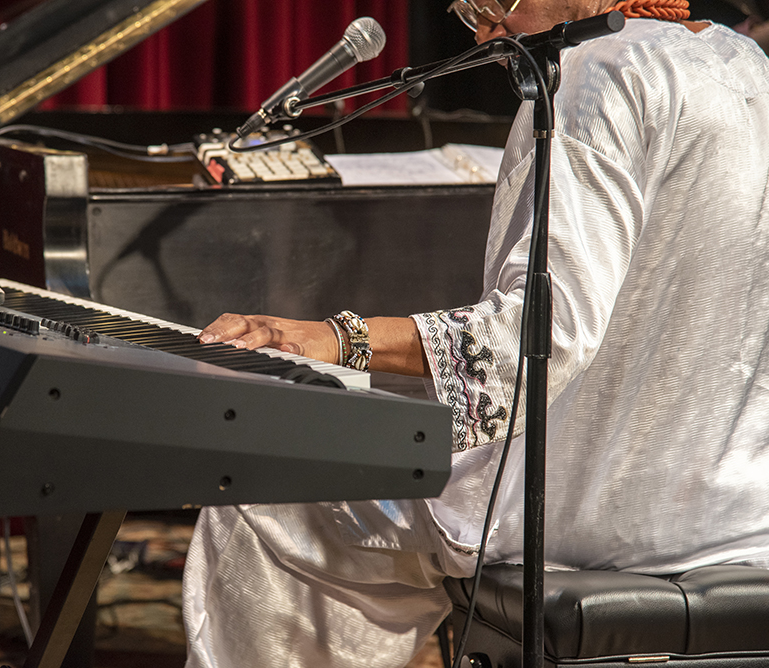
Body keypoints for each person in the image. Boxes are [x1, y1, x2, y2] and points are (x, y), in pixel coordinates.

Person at [180, 0, 769, 664]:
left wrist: (340, 339)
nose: (489, 34)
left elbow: (537, 339)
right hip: (741, 513)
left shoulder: (595, 74)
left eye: (493, 6)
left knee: (269, 485)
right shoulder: (748, 63)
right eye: (469, 17)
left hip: (600, 515)